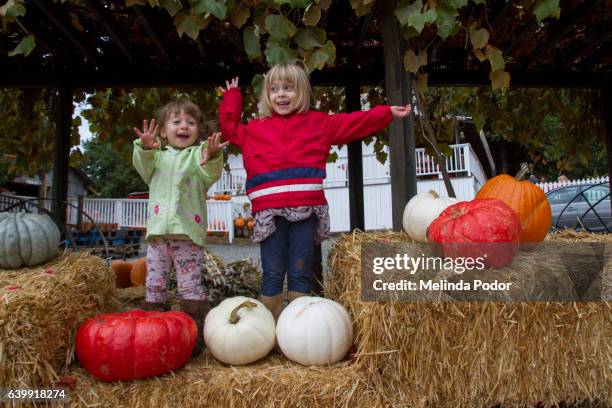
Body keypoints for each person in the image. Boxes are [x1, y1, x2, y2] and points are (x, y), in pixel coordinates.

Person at [218, 62, 412, 319]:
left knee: (300, 269)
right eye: (274, 89)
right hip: (270, 215)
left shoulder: (319, 123)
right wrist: (232, 98)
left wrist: (385, 113)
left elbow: (355, 122)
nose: (281, 95)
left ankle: (298, 327)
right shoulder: (255, 130)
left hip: (305, 211)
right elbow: (229, 130)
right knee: (273, 272)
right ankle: (267, 328)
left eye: (289, 88)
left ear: (302, 92)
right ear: (267, 95)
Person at [133, 97, 227, 356]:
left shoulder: (197, 156)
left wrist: (213, 155)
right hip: (157, 238)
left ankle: (193, 336)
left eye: (191, 122)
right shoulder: (156, 158)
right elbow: (142, 167)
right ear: (163, 131)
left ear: (198, 131)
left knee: (190, 286)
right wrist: (145, 148)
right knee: (154, 285)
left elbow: (210, 174)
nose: (184, 126)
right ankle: (152, 333)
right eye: (176, 121)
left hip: (187, 236)